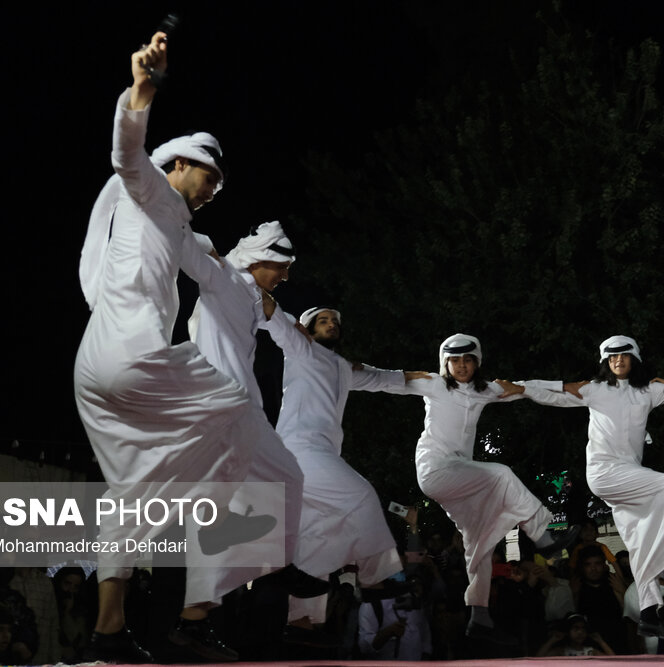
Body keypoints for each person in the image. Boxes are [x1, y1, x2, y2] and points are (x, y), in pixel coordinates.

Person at [74, 30, 272, 662]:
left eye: (219, 182)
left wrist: (248, 279)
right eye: (208, 175)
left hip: (93, 371)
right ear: (178, 164)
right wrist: (143, 87)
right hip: (136, 362)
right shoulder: (151, 188)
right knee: (240, 413)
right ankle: (193, 587)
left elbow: (204, 261)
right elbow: (127, 153)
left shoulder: (171, 222)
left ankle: (108, 629)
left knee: (129, 494)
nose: (215, 187)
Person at [502, 335, 664, 640]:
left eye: (623, 356)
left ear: (634, 359)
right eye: (611, 358)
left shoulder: (647, 391)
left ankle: (648, 613)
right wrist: (519, 387)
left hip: (631, 478)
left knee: (640, 544)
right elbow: (556, 389)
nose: (617, 361)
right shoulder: (596, 389)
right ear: (605, 362)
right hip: (605, 473)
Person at [184, 221, 330, 659]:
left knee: (287, 475)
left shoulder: (254, 295)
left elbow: (281, 323)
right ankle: (192, 619)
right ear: (259, 258)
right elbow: (183, 242)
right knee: (216, 510)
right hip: (214, 404)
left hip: (245, 407)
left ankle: (275, 565)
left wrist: (297, 331)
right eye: (280, 269)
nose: (285, 277)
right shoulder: (219, 274)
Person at [391, 334, 579, 643]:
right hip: (435, 470)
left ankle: (478, 613)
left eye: (468, 360)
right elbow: (389, 380)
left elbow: (526, 387)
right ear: (445, 363)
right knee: (501, 474)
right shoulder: (433, 384)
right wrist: (344, 370)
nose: (461, 366)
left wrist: (571, 389)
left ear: (477, 362)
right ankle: (545, 537)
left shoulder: (484, 390)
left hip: (461, 479)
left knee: (477, 541)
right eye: (455, 360)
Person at [262, 304, 425, 634]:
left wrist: (427, 379)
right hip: (299, 449)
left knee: (318, 529)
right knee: (362, 495)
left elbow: (382, 379)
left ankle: (302, 622)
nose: (331, 325)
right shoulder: (300, 347)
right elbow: (272, 314)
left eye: (335, 321)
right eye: (323, 321)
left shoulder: (343, 367)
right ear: (308, 330)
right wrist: (245, 276)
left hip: (319, 454)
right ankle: (376, 578)